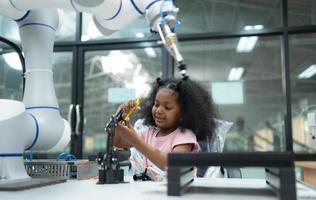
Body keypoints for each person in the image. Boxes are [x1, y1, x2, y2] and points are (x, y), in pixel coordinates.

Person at [114, 77, 218, 175]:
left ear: (183, 114)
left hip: (177, 192)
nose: (158, 110)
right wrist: (120, 118)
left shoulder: (185, 137)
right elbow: (116, 142)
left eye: (167, 107)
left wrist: (136, 141)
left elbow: (172, 165)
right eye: (156, 104)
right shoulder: (148, 133)